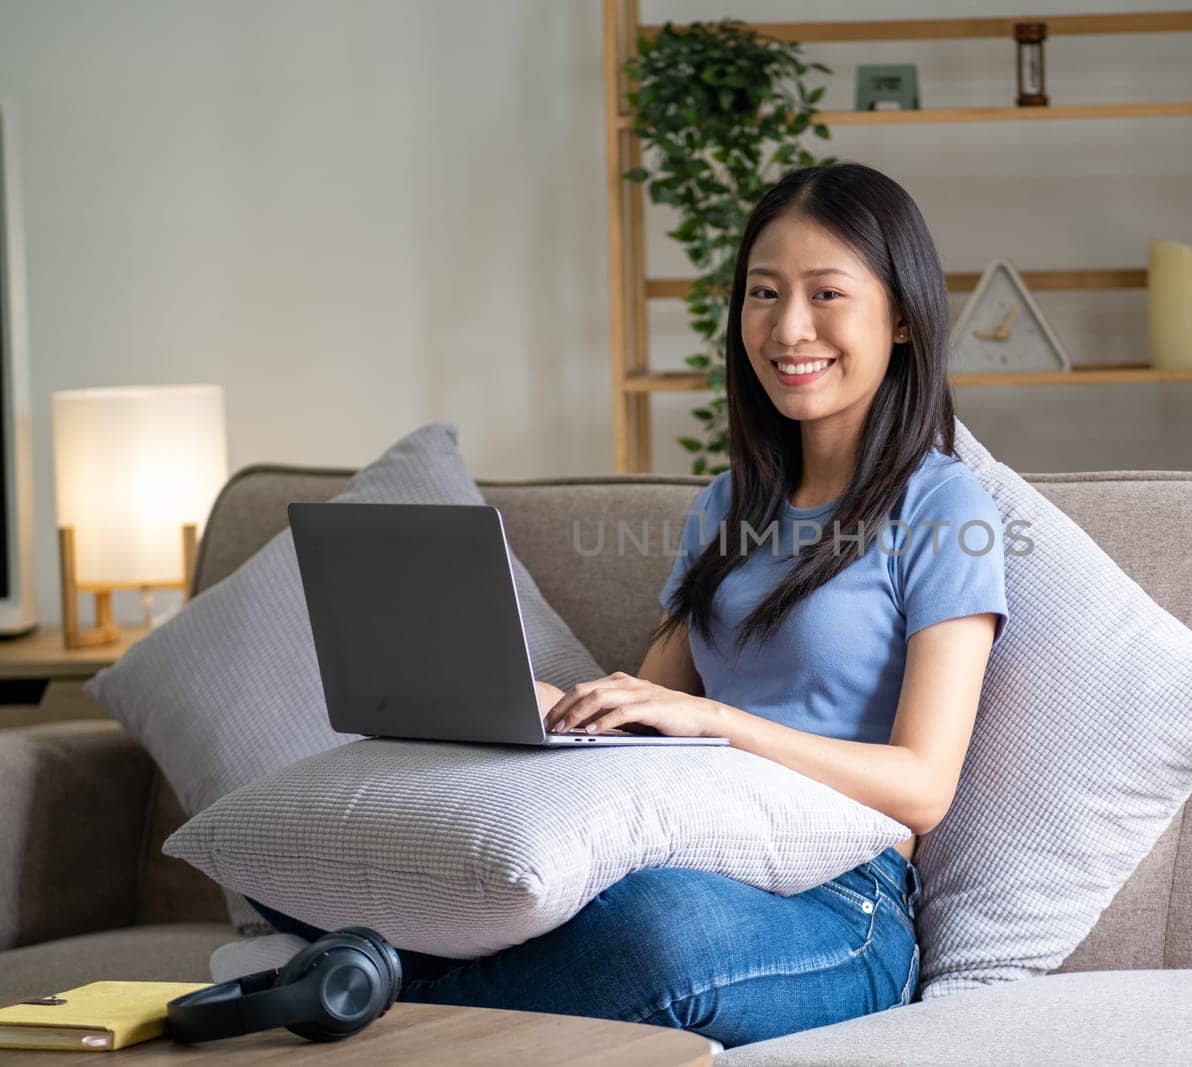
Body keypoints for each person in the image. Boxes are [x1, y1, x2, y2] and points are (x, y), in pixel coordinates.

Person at [250, 161, 1009, 1049]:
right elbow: (642, 726)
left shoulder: (947, 507)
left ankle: (373, 988)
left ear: (905, 317)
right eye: (763, 294)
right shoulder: (727, 507)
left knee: (660, 933)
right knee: (318, 844)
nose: (788, 326)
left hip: (843, 900)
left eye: (826, 293)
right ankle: (388, 982)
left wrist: (715, 721)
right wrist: (535, 706)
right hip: (689, 847)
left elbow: (923, 785)